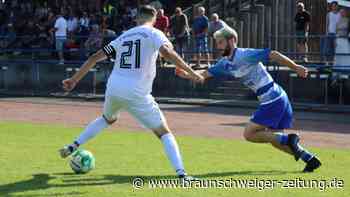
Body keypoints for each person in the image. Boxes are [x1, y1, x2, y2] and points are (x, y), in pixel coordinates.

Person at [59, 5, 203, 180]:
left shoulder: (124, 36)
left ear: (137, 19)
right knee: (164, 133)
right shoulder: (154, 33)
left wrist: (74, 80)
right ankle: (182, 175)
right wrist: (193, 73)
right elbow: (167, 52)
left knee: (107, 118)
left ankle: (73, 146)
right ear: (155, 19)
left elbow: (94, 57)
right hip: (136, 91)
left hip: (114, 87)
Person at [176, 25, 321, 173]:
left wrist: (296, 67)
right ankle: (309, 158)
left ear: (231, 41)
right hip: (277, 97)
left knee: (249, 134)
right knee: (274, 139)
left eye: (220, 42)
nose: (218, 46)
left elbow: (273, 54)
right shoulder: (224, 63)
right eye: (217, 43)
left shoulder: (244, 55)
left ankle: (289, 139)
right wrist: (187, 74)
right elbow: (204, 74)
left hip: (272, 98)